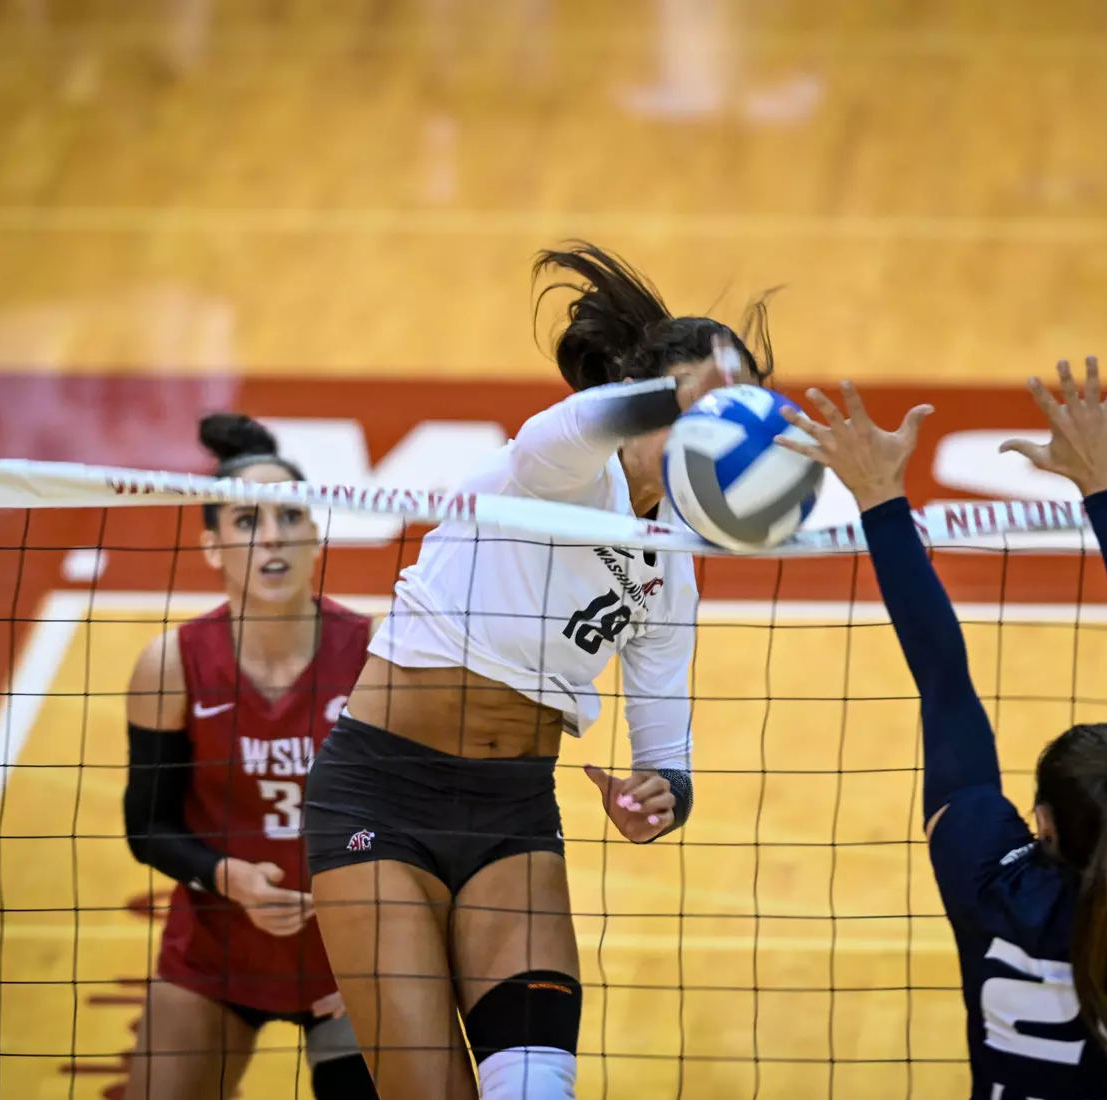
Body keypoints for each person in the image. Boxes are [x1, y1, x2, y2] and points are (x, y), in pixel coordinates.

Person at [303, 243, 772, 1100]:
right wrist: (676, 394)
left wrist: (662, 796)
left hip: (512, 815)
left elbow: (665, 746)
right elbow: (569, 429)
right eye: (691, 414)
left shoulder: (672, 564)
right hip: (380, 798)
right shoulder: (559, 472)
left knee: (535, 1089)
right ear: (636, 401)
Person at [780, 360, 1107, 1099]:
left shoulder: (995, 887)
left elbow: (943, 681)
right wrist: (1106, 481)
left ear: (1041, 825)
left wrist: (878, 497)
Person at [123, 413, 377, 1100]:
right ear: (211, 546)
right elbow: (147, 826)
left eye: (290, 516)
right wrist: (227, 877)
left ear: (315, 532)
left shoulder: (376, 656)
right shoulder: (170, 665)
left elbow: (419, 818)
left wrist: (389, 961)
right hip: (217, 952)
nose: (272, 536)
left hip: (356, 954)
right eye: (246, 521)